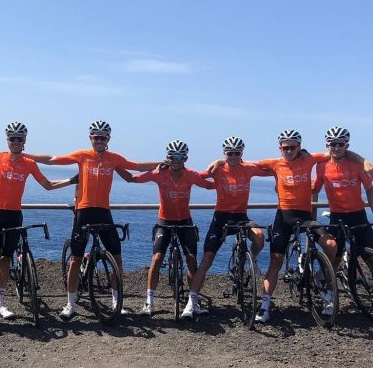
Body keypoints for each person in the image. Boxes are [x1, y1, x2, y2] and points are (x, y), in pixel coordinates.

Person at [26, 120, 160, 320]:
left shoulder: (114, 158)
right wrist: (26, 155)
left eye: (102, 137)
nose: (99, 140)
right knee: (75, 259)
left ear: (108, 139)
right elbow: (53, 159)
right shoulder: (82, 155)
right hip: (84, 211)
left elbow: (137, 166)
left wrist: (162, 163)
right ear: (90, 138)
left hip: (104, 211)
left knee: (117, 258)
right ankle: (70, 304)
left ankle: (116, 302)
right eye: (96, 137)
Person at [252, 129, 370, 323]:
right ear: (280, 148)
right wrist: (221, 162)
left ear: (299, 147)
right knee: (275, 261)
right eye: (285, 148)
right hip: (283, 218)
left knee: (331, 245)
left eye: (292, 147)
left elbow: (338, 152)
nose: (289, 151)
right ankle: (264, 306)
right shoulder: (274, 163)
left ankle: (323, 281)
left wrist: (363, 160)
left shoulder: (311, 159)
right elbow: (245, 165)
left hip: (306, 217)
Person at [0, 122, 74, 328]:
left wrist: (72, 180)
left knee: (6, 260)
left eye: (19, 138)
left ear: (24, 141)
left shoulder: (29, 163)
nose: (15, 141)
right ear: (7, 140)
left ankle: (0, 303)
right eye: (12, 138)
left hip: (14, 216)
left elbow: (47, 185)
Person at [116, 140, 214, 317]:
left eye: (180, 157)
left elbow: (209, 185)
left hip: (185, 221)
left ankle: (193, 302)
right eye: (172, 157)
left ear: (185, 158)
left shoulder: (191, 175)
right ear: (167, 158)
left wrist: (227, 176)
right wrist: (115, 165)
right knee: (157, 259)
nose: (176, 160)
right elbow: (131, 179)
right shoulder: (159, 173)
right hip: (165, 222)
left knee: (191, 260)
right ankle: (149, 302)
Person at [182, 136, 272, 319]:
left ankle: (253, 258)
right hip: (221, 218)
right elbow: (195, 176)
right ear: (224, 153)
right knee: (207, 259)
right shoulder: (217, 169)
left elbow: (272, 170)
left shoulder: (248, 168)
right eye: (230, 153)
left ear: (242, 153)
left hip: (241, 217)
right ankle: (191, 302)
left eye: (237, 153)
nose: (233, 156)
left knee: (259, 237)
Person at [313, 127, 373, 263]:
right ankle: (330, 278)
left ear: (347, 145)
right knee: (336, 257)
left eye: (341, 144)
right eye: (333, 144)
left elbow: (370, 189)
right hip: (337, 216)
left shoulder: (357, 164)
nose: (337, 147)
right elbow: (315, 187)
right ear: (327, 145)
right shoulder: (321, 166)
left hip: (358, 215)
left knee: (370, 254)